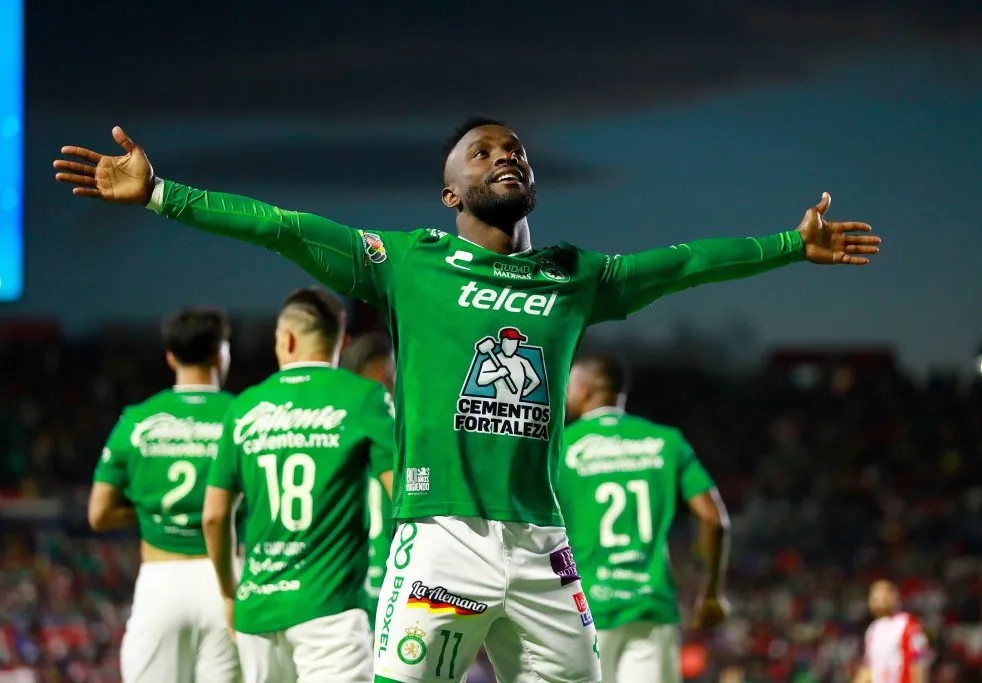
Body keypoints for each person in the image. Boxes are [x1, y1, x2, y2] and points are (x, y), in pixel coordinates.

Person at [56, 118, 879, 683]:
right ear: (450, 193)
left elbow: (687, 262)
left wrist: (788, 246)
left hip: (545, 547)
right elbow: (282, 226)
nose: (505, 158)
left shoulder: (575, 274)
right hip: (443, 541)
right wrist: (164, 193)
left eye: (516, 151)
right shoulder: (407, 264)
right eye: (483, 154)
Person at [201, 287, 396, 683]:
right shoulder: (364, 398)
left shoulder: (244, 406)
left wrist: (228, 592)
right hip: (331, 611)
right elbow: (403, 497)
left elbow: (214, 516)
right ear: (341, 342)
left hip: (257, 610)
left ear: (286, 339)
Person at [88, 307, 240, 683]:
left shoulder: (137, 421)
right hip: (227, 579)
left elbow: (99, 513)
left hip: (161, 580)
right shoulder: (243, 415)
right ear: (221, 353)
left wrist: (146, 510)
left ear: (170, 356)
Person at [557, 354, 729, 683]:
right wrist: (711, 594)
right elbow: (713, 519)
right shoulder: (666, 441)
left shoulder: (561, 446)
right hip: (650, 605)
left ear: (586, 387)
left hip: (583, 608)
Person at [340, 332, 398, 624]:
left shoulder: (331, 431)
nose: (393, 385)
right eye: (388, 377)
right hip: (383, 586)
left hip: (347, 591)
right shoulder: (399, 434)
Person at [852, 580, 930, 683]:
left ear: (894, 597)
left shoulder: (907, 624)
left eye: (883, 592)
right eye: (874, 594)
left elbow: (918, 664)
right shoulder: (873, 629)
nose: (877, 597)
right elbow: (869, 668)